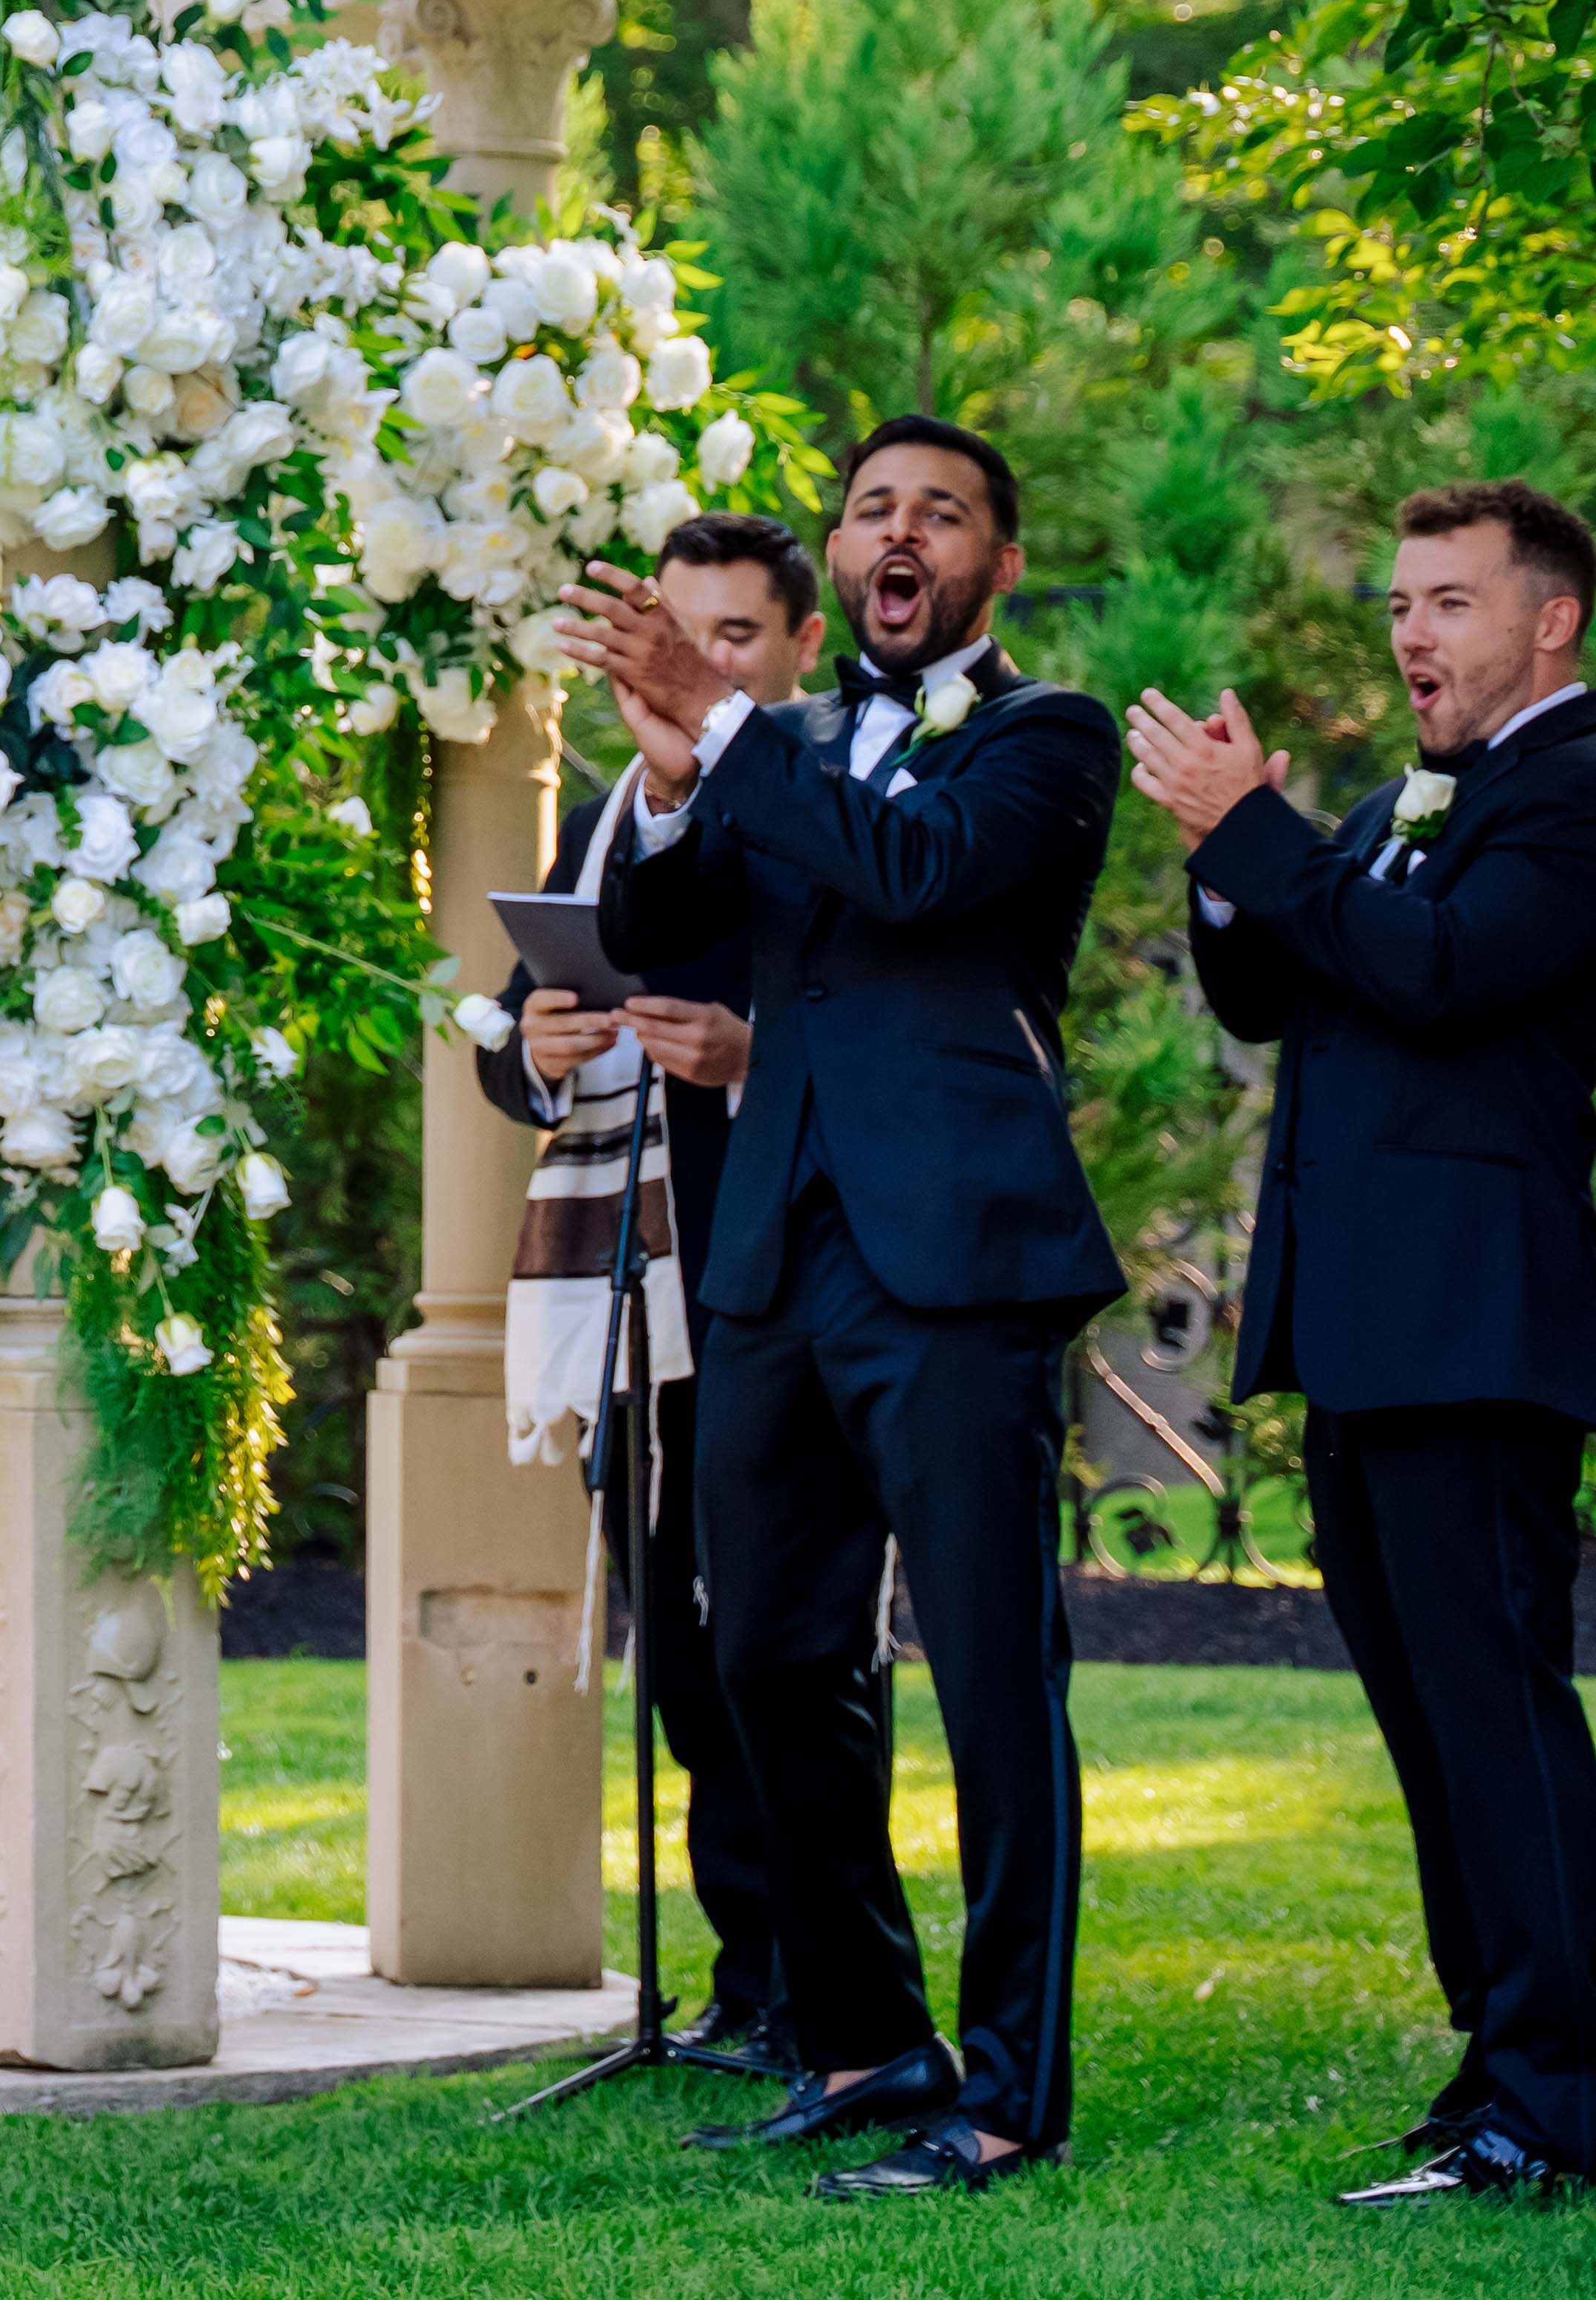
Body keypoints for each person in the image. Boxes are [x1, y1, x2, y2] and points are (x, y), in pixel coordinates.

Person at [562, 412, 1121, 2199]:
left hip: (956, 1263)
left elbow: (915, 873)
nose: (900, 533)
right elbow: (664, 919)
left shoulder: (1046, 738)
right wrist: (668, 778)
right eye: (874, 506)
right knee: (769, 1656)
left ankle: (1012, 2090)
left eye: (939, 514)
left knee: (993, 1680)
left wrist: (724, 732)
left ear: (993, 565)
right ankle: (870, 2038)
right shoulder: (784, 745)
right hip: (773, 1265)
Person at [1129, 481, 1596, 2203]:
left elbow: (1436, 974)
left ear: (1550, 621)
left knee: (1494, 1714)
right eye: (1397, 604)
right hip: (1364, 1328)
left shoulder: (1589, 804)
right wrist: (1229, 859)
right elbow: (1274, 993)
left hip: (1473, 1324)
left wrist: (1259, 836)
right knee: (1430, 1725)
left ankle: (1558, 2106)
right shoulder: (1390, 806)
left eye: (1446, 602)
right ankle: (1495, 2060)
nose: (1409, 634)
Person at [497, 507, 825, 2068]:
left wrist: (754, 1056)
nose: (693, 669)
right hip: (629, 1290)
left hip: (766, 1282)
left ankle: (811, 1983)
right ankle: (742, 1972)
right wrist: (539, 1047)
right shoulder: (605, 818)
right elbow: (517, 1035)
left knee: (776, 1647)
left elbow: (871, 1030)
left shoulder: (818, 799)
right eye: (672, 639)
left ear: (801, 648)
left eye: (733, 639)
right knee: (684, 1664)